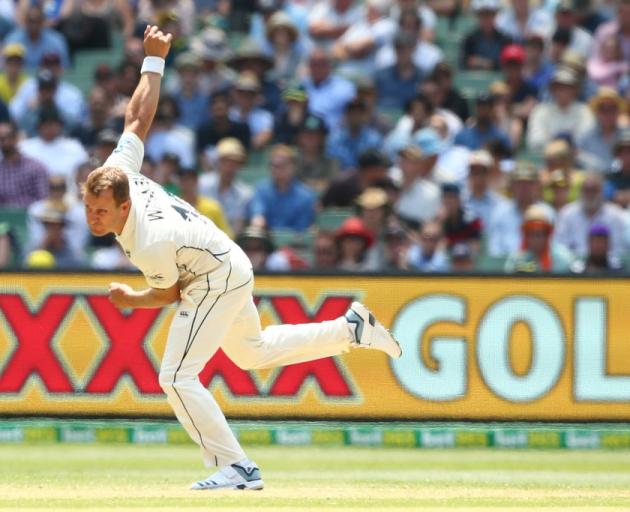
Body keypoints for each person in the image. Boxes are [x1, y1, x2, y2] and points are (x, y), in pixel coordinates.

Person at [82, 26, 402, 490]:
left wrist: (132, 299)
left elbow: (170, 291)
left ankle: (236, 467)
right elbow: (136, 120)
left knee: (175, 376)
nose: (93, 218)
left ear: (123, 207)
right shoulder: (119, 173)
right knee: (252, 354)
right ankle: (349, 328)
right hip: (224, 261)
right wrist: (154, 61)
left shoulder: (147, 239)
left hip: (211, 276)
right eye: (89, 210)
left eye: (102, 211)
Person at [0, 120, 48, 208]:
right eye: (1, 139)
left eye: (6, 138)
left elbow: (43, 200)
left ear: (15, 138)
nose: (4, 143)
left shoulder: (35, 167)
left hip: (30, 217)